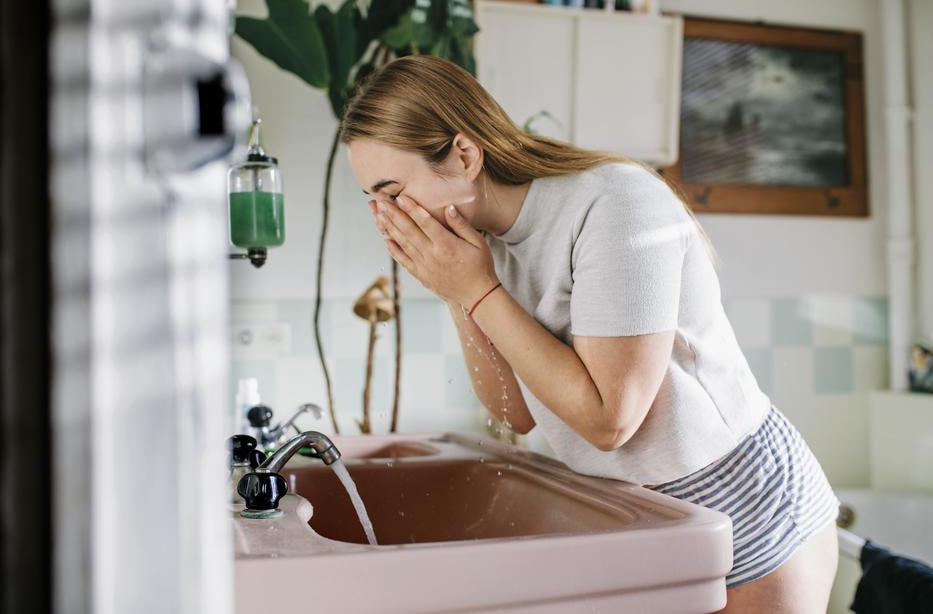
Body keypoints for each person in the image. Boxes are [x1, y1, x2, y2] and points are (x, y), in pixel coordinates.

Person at [340, 54, 839, 613]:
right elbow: (516, 414)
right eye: (373, 199)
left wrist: (477, 289)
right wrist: (461, 290)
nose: (385, 216)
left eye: (392, 190)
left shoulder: (614, 203)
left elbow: (610, 420)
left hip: (745, 508)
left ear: (463, 155)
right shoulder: (483, 245)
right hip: (645, 519)